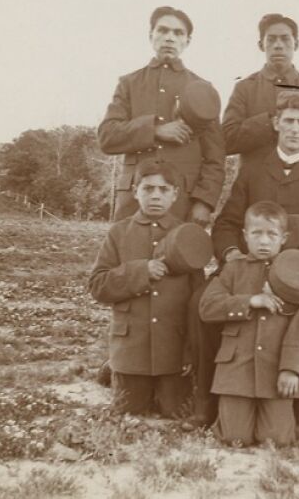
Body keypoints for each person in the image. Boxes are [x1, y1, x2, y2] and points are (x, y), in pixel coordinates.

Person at [207, 90, 299, 430]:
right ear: (275, 123)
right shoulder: (253, 170)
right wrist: (232, 256)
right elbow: (226, 223)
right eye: (288, 121)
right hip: (248, 273)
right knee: (200, 306)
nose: (295, 129)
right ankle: (209, 399)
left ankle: (297, 403)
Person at [88, 160, 199, 417]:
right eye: (148, 189)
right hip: (131, 351)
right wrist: (141, 271)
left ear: (175, 194)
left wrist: (190, 353)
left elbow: (197, 302)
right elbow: (97, 285)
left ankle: (114, 371)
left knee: (176, 411)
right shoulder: (119, 232)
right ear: (135, 191)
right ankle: (113, 369)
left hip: (172, 354)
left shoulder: (187, 235)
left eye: (163, 189)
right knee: (130, 411)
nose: (156, 196)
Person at [199, 201, 299, 446]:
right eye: (256, 234)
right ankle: (230, 417)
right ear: (244, 236)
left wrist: (291, 369)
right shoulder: (233, 270)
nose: (263, 241)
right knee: (234, 437)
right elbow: (207, 307)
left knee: (276, 440)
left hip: (276, 370)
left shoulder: (295, 275)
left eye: (271, 234)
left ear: (284, 238)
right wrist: (250, 301)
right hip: (236, 368)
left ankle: (282, 420)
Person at [97, 5, 225, 223]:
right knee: (130, 255)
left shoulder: (203, 90)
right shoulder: (129, 84)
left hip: (182, 202)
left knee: (176, 257)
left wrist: (203, 202)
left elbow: (215, 158)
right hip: (133, 202)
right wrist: (155, 130)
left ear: (187, 41)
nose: (169, 38)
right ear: (151, 35)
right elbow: (107, 137)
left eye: (178, 33)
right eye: (163, 31)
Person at [222, 13, 299, 183]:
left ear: (296, 44)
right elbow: (228, 140)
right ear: (261, 45)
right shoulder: (245, 88)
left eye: (285, 39)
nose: (278, 45)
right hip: (254, 186)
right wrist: (272, 120)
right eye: (271, 39)